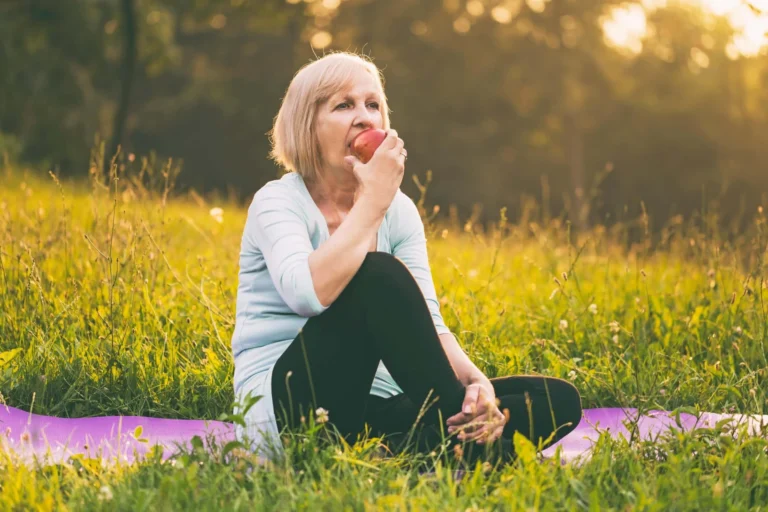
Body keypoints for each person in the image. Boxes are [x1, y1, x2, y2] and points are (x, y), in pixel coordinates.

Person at [231, 51, 581, 463]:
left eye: (373, 104)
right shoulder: (277, 202)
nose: (365, 118)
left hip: (377, 407)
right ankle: (478, 455)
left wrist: (476, 383)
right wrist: (371, 205)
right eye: (344, 105)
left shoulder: (398, 210)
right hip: (294, 408)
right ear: (307, 126)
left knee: (553, 399)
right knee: (376, 275)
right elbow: (307, 294)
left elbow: (430, 322)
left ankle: (401, 451)